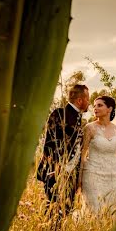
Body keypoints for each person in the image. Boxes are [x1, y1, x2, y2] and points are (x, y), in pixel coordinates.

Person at [37, 84, 90, 217]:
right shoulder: (59, 113)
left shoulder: (79, 118)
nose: (89, 102)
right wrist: (57, 168)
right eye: (87, 98)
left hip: (70, 175)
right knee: (53, 211)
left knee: (67, 210)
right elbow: (51, 144)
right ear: (79, 100)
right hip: (56, 172)